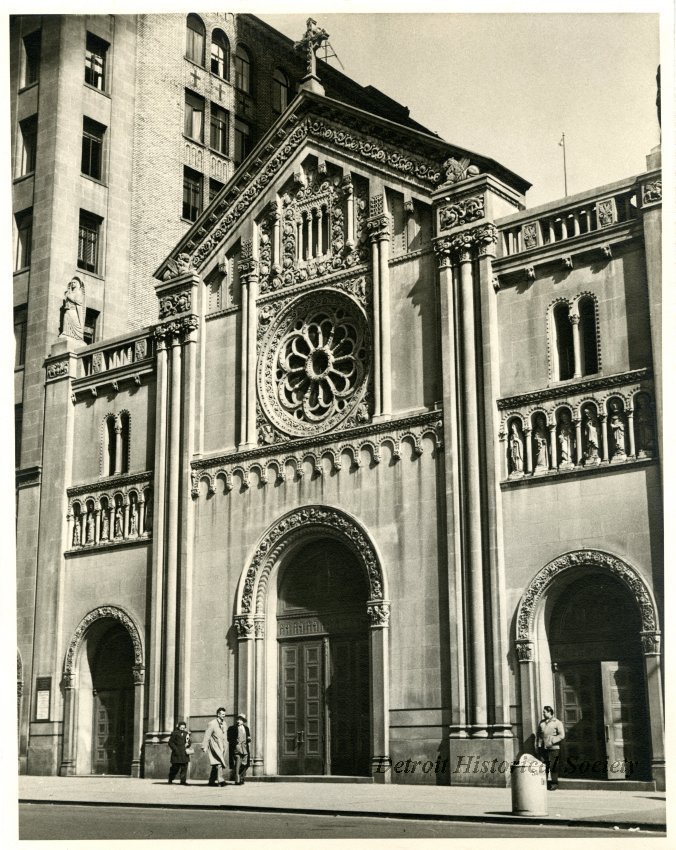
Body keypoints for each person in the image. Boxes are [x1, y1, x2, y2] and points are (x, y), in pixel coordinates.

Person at [536, 705, 565, 790]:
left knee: (553, 766)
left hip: (554, 748)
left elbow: (562, 735)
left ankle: (554, 783)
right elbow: (538, 735)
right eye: (543, 712)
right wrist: (538, 745)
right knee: (543, 765)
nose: (543, 713)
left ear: (550, 712)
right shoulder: (542, 723)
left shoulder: (557, 722)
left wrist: (552, 741)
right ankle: (543, 783)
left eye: (544, 712)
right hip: (543, 748)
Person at [202, 707, 228, 787]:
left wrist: (226, 744)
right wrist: (204, 746)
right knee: (219, 763)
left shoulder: (224, 723)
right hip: (214, 745)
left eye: (224, 714)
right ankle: (221, 780)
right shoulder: (212, 723)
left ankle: (211, 780)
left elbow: (225, 735)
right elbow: (207, 735)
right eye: (222, 714)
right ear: (218, 714)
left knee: (216, 763)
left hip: (223, 746)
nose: (223, 716)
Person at [227, 713, 252, 786]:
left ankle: (241, 777)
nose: (239, 721)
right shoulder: (232, 728)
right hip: (237, 748)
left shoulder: (246, 728)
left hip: (244, 748)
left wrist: (248, 739)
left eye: (241, 720)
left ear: (243, 721)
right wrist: (235, 743)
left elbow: (248, 737)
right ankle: (237, 779)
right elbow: (229, 738)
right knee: (238, 762)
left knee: (245, 763)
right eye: (238, 719)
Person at [167, 721, 191, 785]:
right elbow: (170, 742)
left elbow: (189, 741)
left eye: (184, 727)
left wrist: (188, 744)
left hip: (184, 753)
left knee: (184, 768)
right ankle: (170, 779)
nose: (182, 728)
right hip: (176, 754)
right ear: (179, 727)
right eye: (181, 726)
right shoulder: (175, 733)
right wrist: (175, 749)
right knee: (175, 768)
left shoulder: (186, 734)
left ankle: (183, 781)